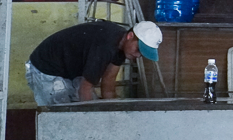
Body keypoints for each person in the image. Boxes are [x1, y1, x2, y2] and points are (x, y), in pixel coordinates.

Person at [25, 20, 162, 105]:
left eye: (141, 54)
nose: (137, 55)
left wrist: (114, 114)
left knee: (84, 108)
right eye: (138, 49)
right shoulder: (105, 45)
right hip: (46, 68)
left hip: (69, 71)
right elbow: (85, 88)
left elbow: (108, 87)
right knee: (61, 116)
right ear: (130, 36)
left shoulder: (122, 46)